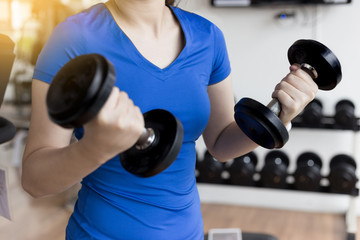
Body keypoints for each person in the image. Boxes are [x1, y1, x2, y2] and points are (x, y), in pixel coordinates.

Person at [21, 0, 318, 239]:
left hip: (185, 231)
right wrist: (94, 148)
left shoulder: (208, 37)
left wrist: (282, 114)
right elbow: (35, 179)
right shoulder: (74, 36)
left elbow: (221, 144)